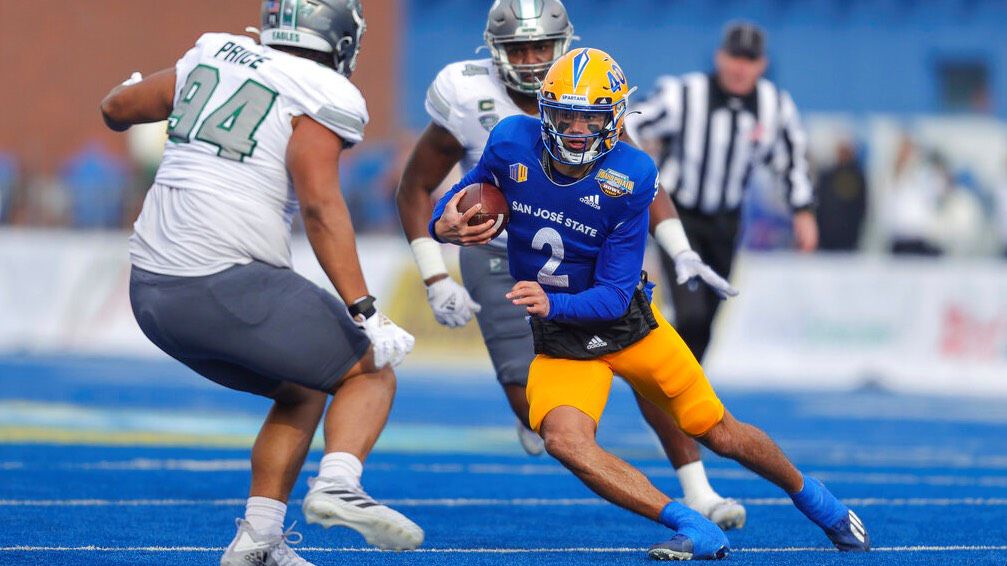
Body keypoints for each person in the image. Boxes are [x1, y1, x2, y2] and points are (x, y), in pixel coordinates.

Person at [430, 48, 871, 560]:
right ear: (543, 111)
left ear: (615, 118)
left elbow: (615, 295)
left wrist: (551, 305)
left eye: (590, 118)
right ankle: (693, 525)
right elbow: (466, 190)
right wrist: (441, 222)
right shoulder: (509, 139)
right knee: (564, 441)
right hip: (562, 344)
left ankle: (819, 502)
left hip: (628, 328)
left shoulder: (630, 173)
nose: (575, 129)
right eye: (564, 114)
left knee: (719, 432)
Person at [395, 0, 745, 530]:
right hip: (501, 258)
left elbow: (639, 178)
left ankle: (698, 490)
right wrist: (434, 272)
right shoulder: (467, 96)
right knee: (533, 409)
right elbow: (416, 186)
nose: (532, 59)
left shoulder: (585, 92)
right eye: (519, 48)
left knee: (646, 370)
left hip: (585, 251)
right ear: (494, 50)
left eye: (541, 46)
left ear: (563, 46)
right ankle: (545, 417)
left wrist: (680, 249)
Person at [99, 2, 422, 564]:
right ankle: (338, 485)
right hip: (220, 280)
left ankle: (259, 541)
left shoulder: (213, 51)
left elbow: (117, 108)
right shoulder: (320, 90)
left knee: (301, 389)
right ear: (339, 39)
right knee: (370, 373)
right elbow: (321, 205)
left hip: (150, 291)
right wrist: (365, 308)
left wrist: (129, 94)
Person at [626, 21, 819, 364]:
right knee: (691, 314)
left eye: (749, 59)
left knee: (707, 324)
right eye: (734, 56)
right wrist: (636, 167)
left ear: (761, 64)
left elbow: (791, 160)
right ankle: (665, 386)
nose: (740, 66)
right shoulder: (685, 93)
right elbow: (632, 122)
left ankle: (677, 393)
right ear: (719, 57)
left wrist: (802, 210)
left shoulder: (774, 105)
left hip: (726, 224)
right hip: (678, 214)